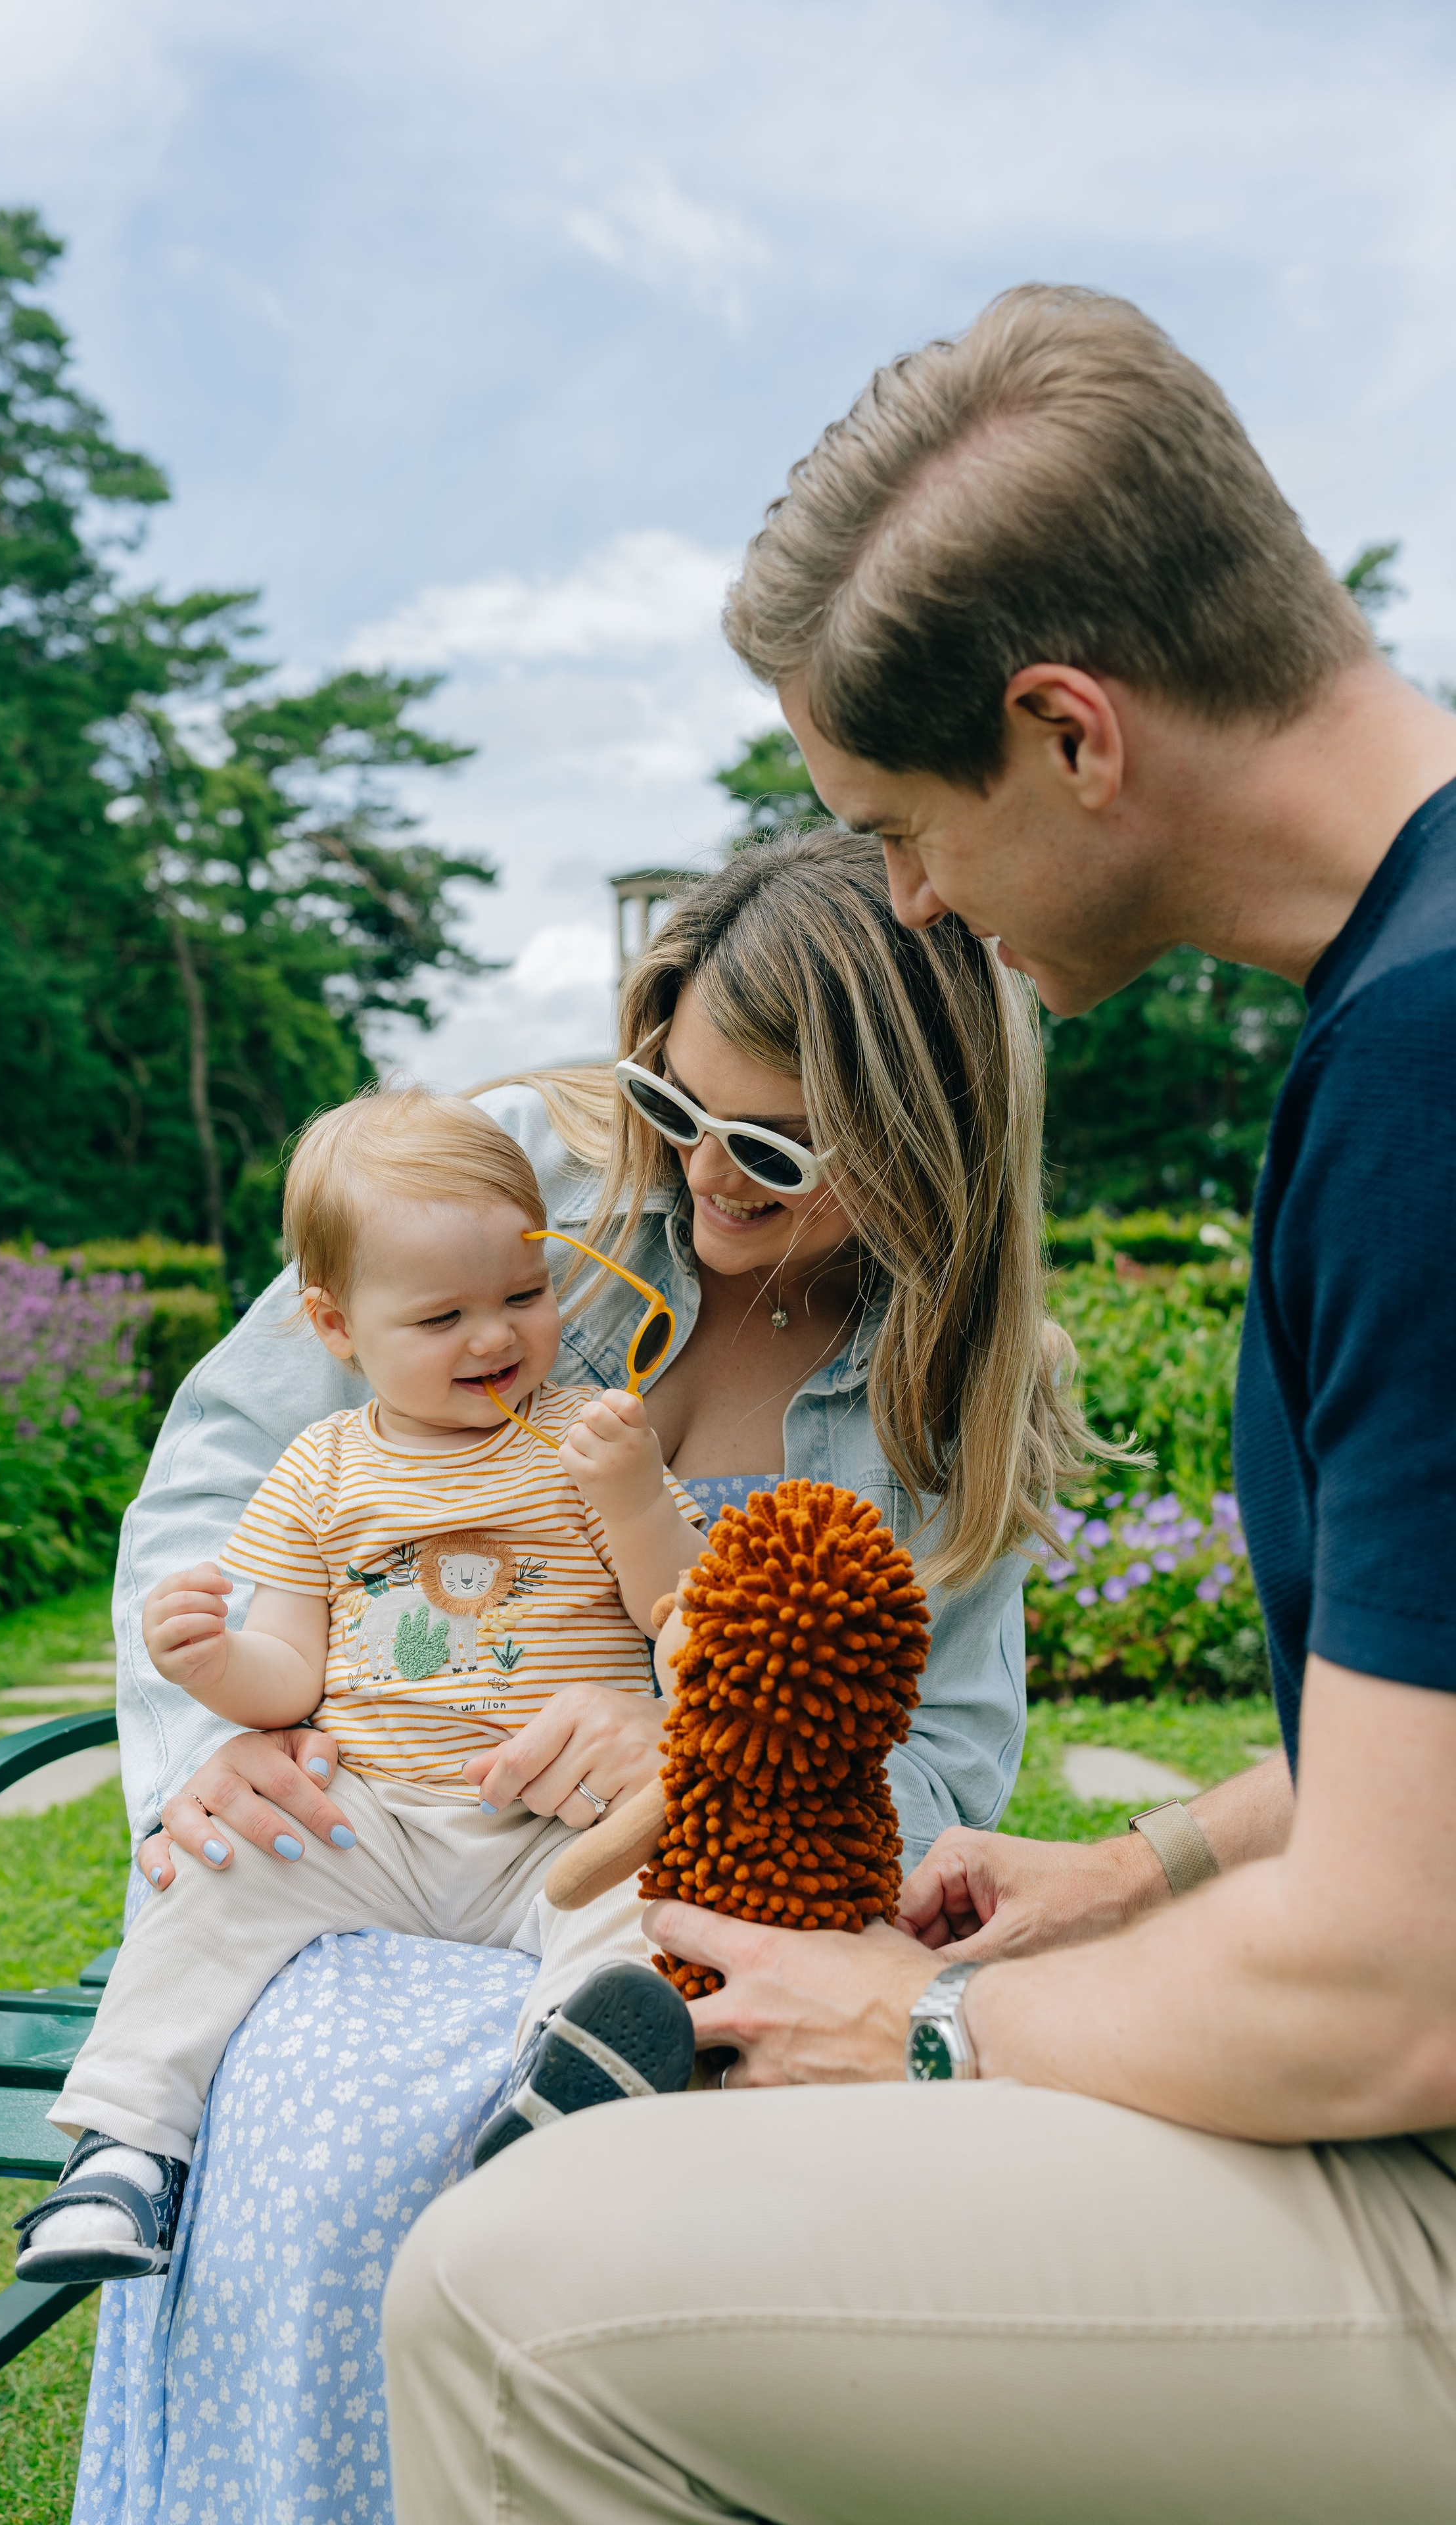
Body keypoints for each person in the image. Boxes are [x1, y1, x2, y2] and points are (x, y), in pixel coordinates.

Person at [381, 285, 1456, 2524]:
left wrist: (932, 2024)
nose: (907, 900)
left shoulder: (1423, 1075)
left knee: (511, 2292)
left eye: (896, 823)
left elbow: (1397, 1990)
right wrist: (1142, 1864)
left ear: (1070, 733)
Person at [72, 830, 1098, 2524]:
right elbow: (220, 1480)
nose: (701, 1174)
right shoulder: (517, 1172)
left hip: (653, 1914)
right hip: (369, 1842)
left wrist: (709, 1738)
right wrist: (230, 1733)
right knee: (333, 2127)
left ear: (921, 1144)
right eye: (674, 1103)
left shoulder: (949, 1381)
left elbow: (941, 1764)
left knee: (526, 2123)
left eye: (771, 1147)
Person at [21, 1088, 705, 2285]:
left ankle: (566, 2089)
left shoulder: (588, 1439)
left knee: (649, 1894)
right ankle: (125, 2148)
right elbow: (287, 1674)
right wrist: (209, 1663)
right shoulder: (321, 1469)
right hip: (373, 1821)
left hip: (553, 1827)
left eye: (524, 1296)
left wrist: (639, 1496)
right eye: (442, 1316)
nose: (493, 1339)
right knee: (210, 1882)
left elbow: (681, 1613)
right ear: (336, 1328)